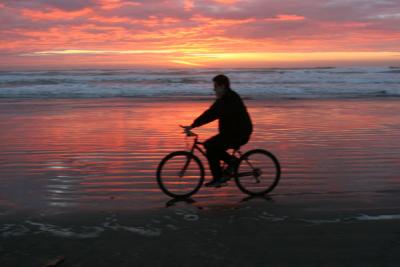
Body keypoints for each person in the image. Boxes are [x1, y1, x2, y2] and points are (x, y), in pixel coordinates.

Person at [182, 74, 253, 187]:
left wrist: (194, 126)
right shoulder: (223, 99)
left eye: (215, 86)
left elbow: (213, 114)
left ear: (223, 86)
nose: (214, 89)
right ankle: (231, 163)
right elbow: (210, 113)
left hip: (240, 133)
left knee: (211, 147)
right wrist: (192, 125)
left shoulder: (230, 99)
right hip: (231, 132)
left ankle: (220, 176)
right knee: (210, 145)